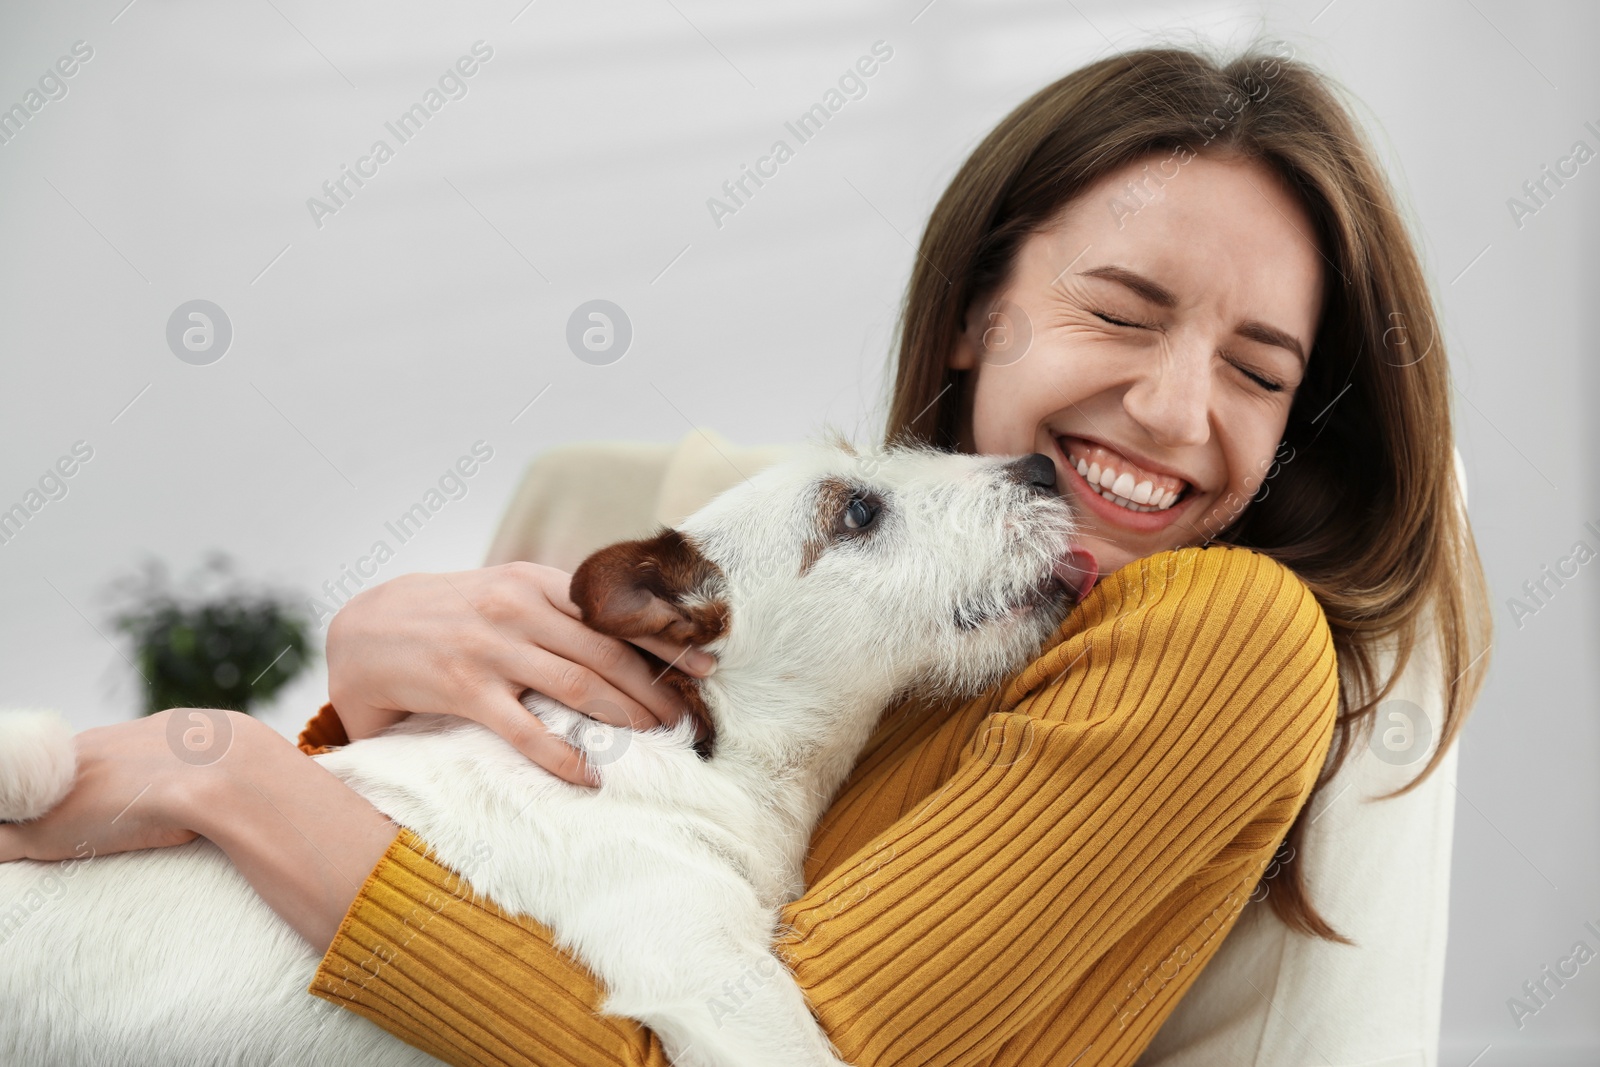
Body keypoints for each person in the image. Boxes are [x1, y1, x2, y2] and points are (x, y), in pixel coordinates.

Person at [0, 41, 1491, 1067]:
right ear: (979, 307)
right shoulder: (897, 620)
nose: (1174, 411)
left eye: (1259, 366)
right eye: (1120, 308)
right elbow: (526, 886)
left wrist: (235, 777)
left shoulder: (1217, 638)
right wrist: (364, 707)